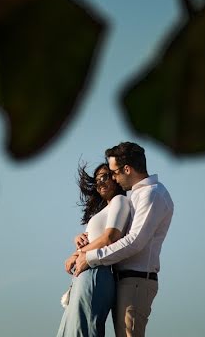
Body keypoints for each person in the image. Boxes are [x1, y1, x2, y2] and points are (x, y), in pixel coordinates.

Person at [72, 142, 173, 337]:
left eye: (114, 173)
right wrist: (86, 240)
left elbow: (135, 241)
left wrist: (90, 257)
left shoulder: (152, 194)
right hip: (123, 280)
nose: (114, 179)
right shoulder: (137, 195)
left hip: (136, 281)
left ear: (127, 169)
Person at [57, 162, 132, 337]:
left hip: (96, 272)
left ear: (115, 177)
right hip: (86, 273)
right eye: (97, 179)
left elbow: (110, 238)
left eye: (105, 176)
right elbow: (95, 239)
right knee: (72, 330)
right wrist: (79, 241)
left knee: (84, 330)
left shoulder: (119, 200)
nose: (101, 182)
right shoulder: (104, 210)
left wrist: (76, 255)